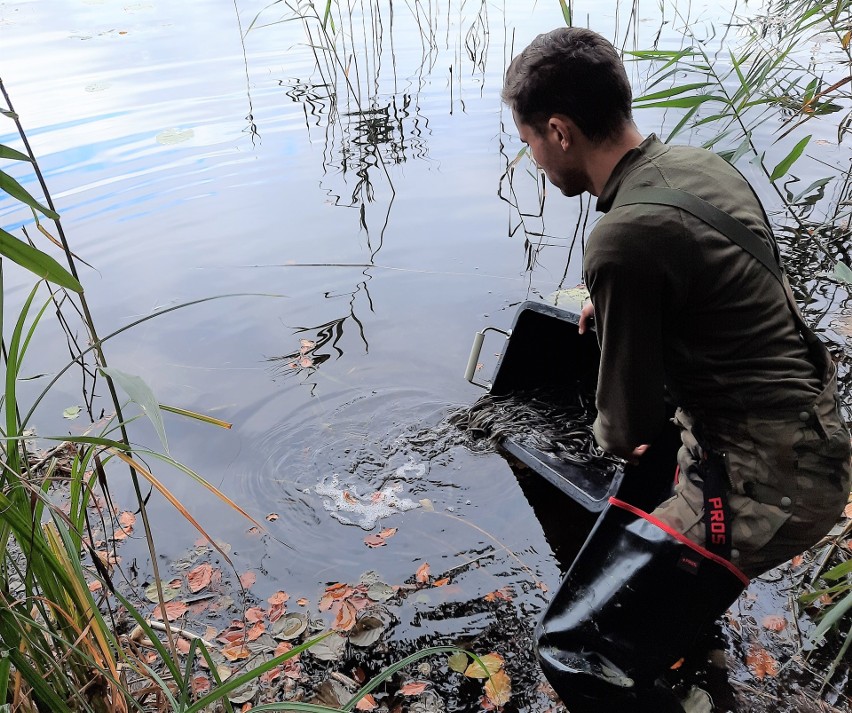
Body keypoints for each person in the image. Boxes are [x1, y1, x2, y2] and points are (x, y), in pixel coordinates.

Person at [502, 27, 852, 713]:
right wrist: (614, 317)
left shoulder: (623, 238)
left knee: (574, 651)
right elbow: (719, 303)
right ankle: (687, 644)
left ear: (559, 131)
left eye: (530, 144)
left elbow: (623, 427)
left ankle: (662, 650)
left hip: (766, 481)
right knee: (653, 523)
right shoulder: (698, 167)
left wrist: (609, 415)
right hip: (810, 433)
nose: (535, 160)